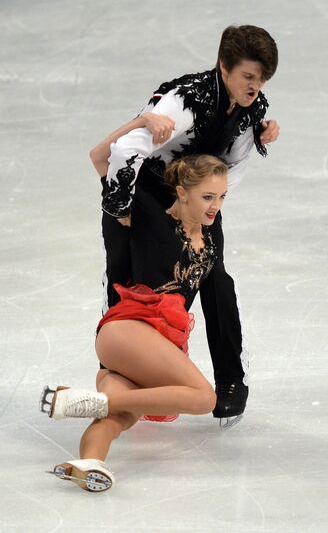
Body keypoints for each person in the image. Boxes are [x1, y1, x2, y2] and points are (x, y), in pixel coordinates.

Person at [90, 24, 279, 428]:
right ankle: (116, 369)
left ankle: (232, 381)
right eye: (248, 76)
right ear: (224, 66)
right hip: (144, 194)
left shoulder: (253, 110)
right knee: (127, 275)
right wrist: (120, 206)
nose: (255, 86)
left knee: (213, 277)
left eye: (261, 78)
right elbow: (124, 150)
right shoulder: (186, 98)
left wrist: (210, 202)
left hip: (196, 197)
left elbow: (235, 166)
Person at [40, 155, 231, 492]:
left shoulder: (211, 235)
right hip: (129, 329)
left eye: (221, 197)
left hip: (142, 350)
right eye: (207, 197)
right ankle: (85, 401)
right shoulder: (152, 219)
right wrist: (144, 124)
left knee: (119, 416)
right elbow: (102, 157)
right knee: (204, 398)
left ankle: (89, 462)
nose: (216, 206)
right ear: (182, 192)